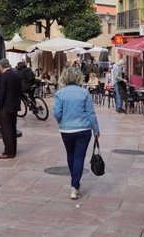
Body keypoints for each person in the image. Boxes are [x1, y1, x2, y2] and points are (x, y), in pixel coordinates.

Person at [53, 66, 100, 200]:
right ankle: (75, 186)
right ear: (78, 77)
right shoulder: (84, 93)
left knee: (70, 154)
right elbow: (91, 113)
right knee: (79, 156)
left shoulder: (60, 93)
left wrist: (61, 120)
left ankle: (74, 181)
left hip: (66, 129)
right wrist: (96, 130)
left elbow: (56, 113)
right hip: (83, 129)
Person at [0, 58, 22, 159]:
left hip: (5, 107)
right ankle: (13, 149)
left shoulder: (3, 76)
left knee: (6, 129)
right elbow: (20, 91)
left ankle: (9, 152)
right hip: (14, 106)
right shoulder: (16, 75)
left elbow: (1, 94)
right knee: (12, 128)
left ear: (1, 66)